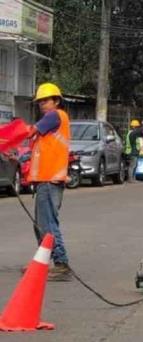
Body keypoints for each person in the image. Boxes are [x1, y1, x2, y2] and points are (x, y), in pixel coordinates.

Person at [26, 83, 72, 281]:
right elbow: (38, 151)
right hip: (45, 180)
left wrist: (6, 136)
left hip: (51, 180)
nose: (42, 104)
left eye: (45, 100)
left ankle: (61, 264)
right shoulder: (49, 126)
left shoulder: (55, 116)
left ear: (56, 101)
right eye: (40, 102)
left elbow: (28, 131)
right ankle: (44, 263)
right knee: (40, 224)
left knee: (48, 224)